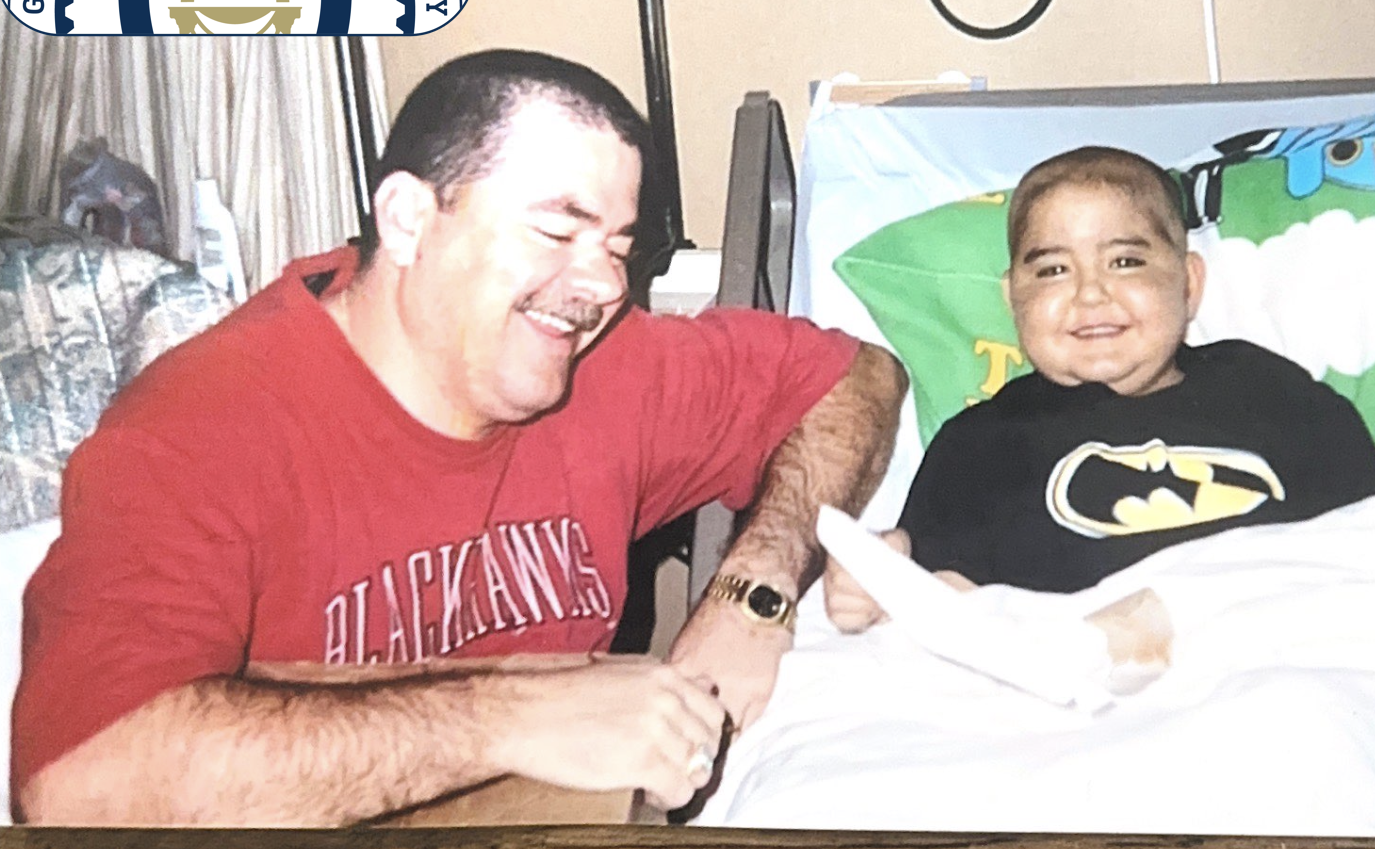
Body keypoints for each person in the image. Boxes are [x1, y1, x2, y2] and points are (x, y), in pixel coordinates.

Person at [13, 50, 905, 826]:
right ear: (407, 220)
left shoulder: (606, 370)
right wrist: (515, 717)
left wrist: (755, 590)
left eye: (619, 246)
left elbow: (856, 378)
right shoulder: (196, 432)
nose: (599, 284)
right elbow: (84, 786)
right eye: (558, 230)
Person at [825, 145, 1375, 627]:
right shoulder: (982, 443)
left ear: (1189, 285)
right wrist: (884, 576)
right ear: (1011, 299)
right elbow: (943, 599)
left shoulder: (1270, 392)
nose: (1090, 293)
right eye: (1052, 270)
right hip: (1077, 688)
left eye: (1125, 261)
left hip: (1268, 648)